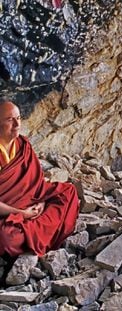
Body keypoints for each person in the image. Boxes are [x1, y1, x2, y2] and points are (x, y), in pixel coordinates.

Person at [0, 98, 80, 257]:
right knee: (7, 239)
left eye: (19, 118)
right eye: (10, 120)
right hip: (7, 212)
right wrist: (23, 213)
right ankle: (39, 229)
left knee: (68, 191)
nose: (17, 125)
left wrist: (41, 202)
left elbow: (36, 183)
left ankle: (33, 228)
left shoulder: (23, 145)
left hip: (31, 202)